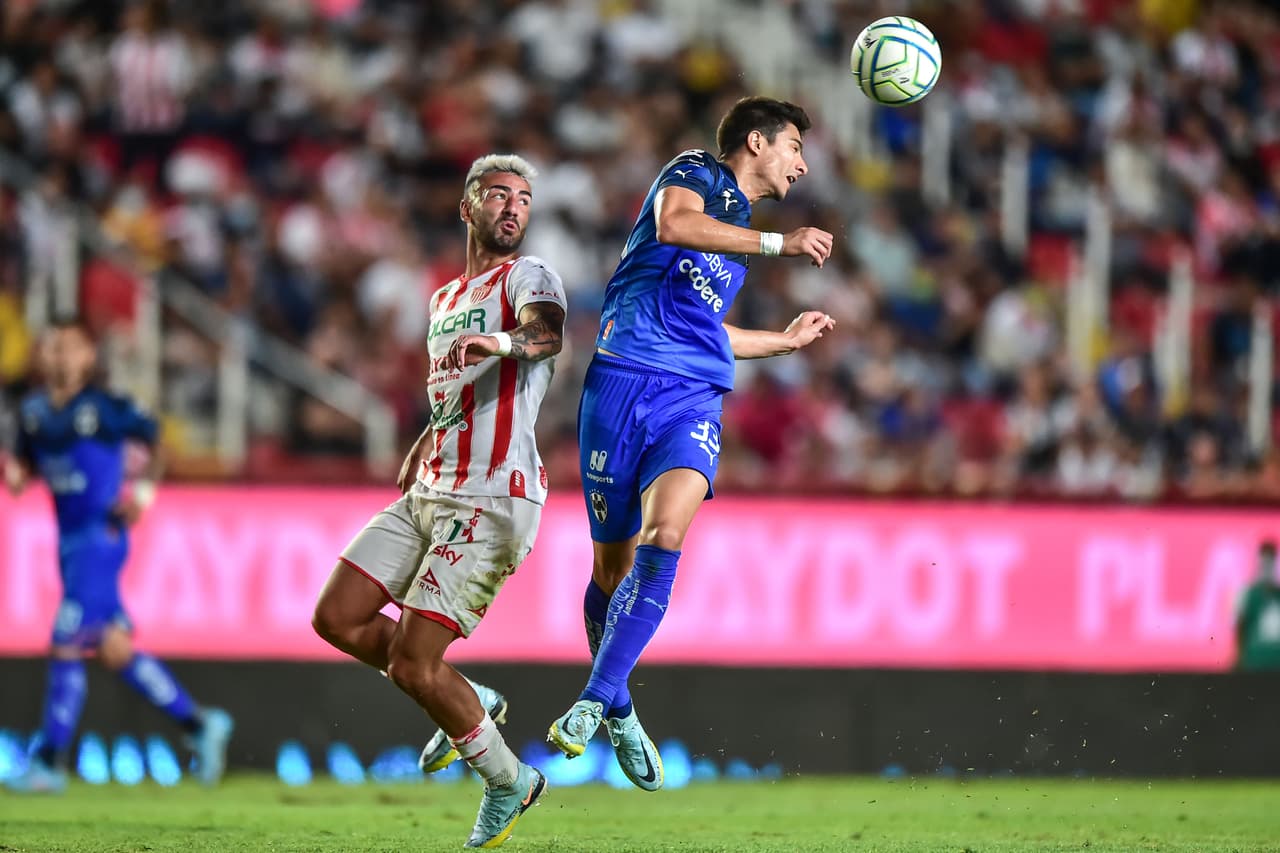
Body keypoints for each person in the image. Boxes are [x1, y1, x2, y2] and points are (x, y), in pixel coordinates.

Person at [545, 96, 836, 789]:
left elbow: (707, 333)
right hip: (620, 381)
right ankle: (620, 710)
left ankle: (591, 700)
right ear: (757, 142)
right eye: (794, 146)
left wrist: (783, 342)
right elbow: (674, 224)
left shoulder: (735, 235)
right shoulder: (696, 173)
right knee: (610, 572)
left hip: (690, 398)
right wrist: (783, 244)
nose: (801, 164)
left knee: (666, 535)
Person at [311, 153, 565, 849]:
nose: (513, 207)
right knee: (336, 616)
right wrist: (428, 434)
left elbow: (547, 335)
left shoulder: (529, 276)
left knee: (412, 664)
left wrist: (502, 339)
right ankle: (469, 696)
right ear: (467, 206)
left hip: (494, 493)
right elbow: (454, 386)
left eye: (523, 198)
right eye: (498, 195)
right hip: (433, 484)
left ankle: (510, 779)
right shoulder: (444, 300)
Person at [3, 318, 233, 793]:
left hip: (102, 535)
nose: (61, 356)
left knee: (66, 639)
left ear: (89, 355)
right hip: (69, 542)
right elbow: (24, 463)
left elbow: (158, 442)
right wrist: (18, 474)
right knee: (113, 649)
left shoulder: (107, 408)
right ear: (42, 355)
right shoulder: (32, 412)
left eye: (70, 347)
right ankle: (199, 724)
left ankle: (47, 762)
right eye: (53, 347)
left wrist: (142, 495)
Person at [1235, 539, 1280, 671]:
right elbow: (1240, 627)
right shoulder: (1248, 594)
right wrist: (1239, 658)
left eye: (1271, 559)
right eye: (1265, 559)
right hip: (1255, 663)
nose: (1267, 565)